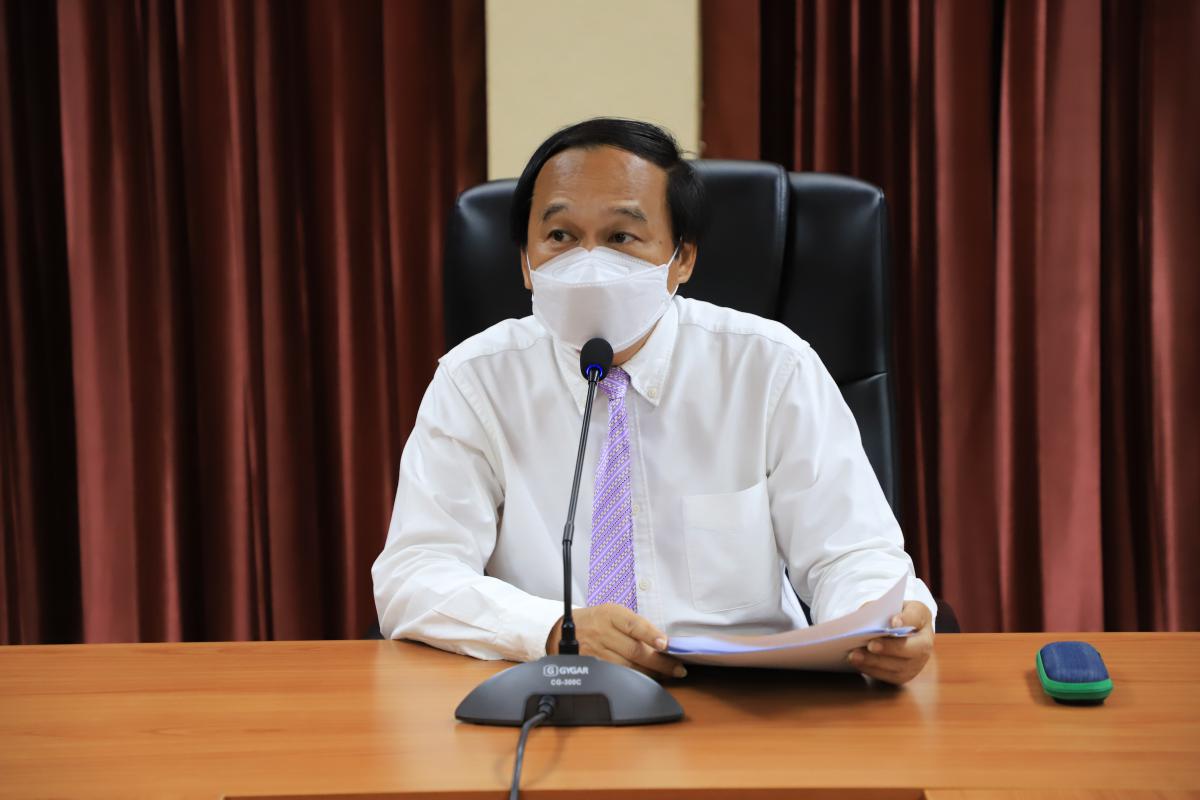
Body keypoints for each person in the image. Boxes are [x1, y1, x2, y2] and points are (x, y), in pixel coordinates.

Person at [372, 118, 936, 685]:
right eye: (561, 236)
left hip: (750, 697)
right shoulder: (475, 380)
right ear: (525, 260)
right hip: (554, 688)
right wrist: (554, 629)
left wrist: (883, 623)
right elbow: (415, 574)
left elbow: (851, 553)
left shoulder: (769, 366)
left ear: (681, 259)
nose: (588, 261)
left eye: (621, 237)